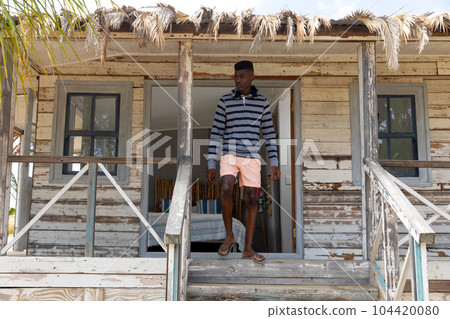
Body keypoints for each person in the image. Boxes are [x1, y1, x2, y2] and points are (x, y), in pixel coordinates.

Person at [207, 60, 280, 264]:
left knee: (250, 198)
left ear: (251, 77)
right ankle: (229, 235)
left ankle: (247, 248)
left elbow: (269, 134)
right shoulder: (225, 101)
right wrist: (211, 163)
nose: (238, 80)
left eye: (242, 76)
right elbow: (216, 133)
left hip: (252, 156)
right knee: (226, 187)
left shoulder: (263, 103)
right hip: (230, 152)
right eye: (235, 76)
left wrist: (273, 160)